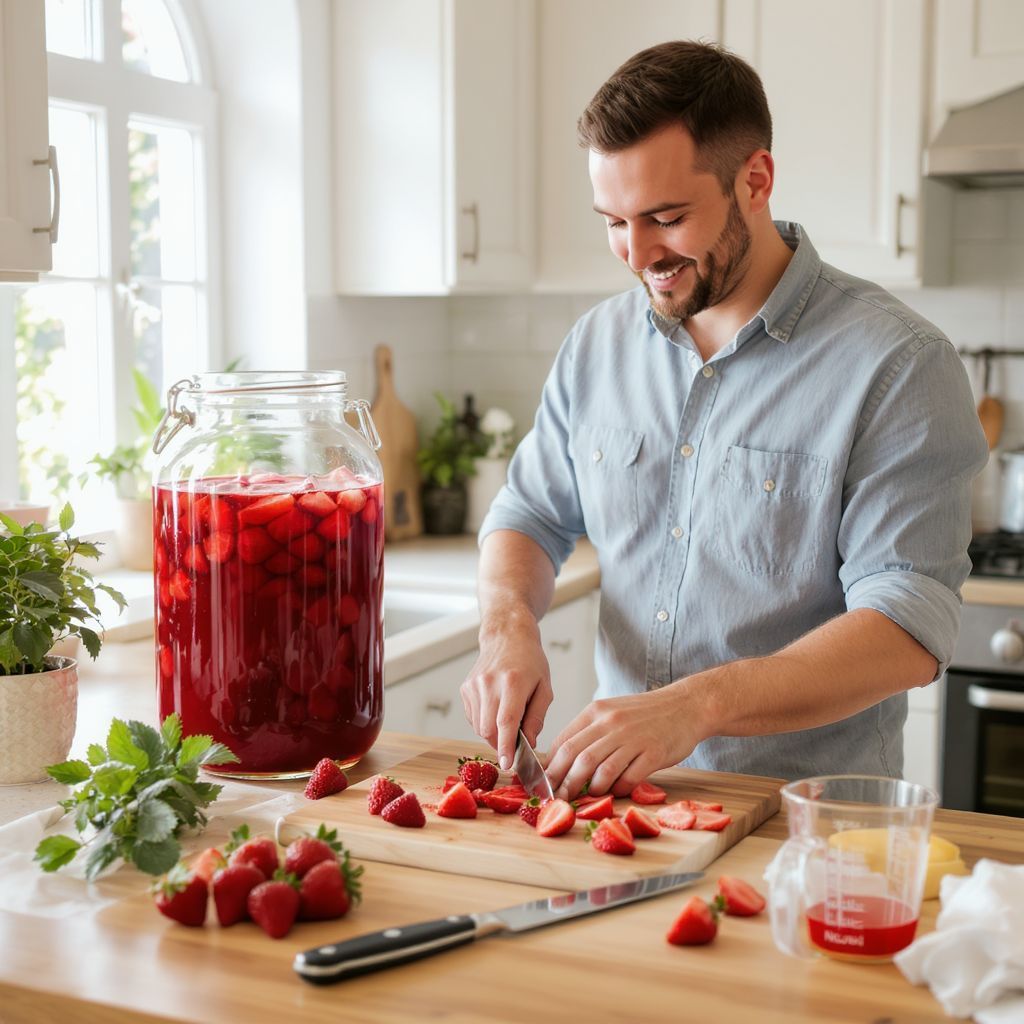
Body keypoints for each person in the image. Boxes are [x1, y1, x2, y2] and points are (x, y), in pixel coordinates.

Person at [461, 40, 987, 799]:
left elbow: (906, 627)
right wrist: (506, 621)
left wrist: (696, 706)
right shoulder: (598, 345)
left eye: (666, 218)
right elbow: (530, 513)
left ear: (756, 180)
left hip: (804, 827)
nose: (638, 254)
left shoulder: (899, 364)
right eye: (613, 221)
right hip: (618, 815)